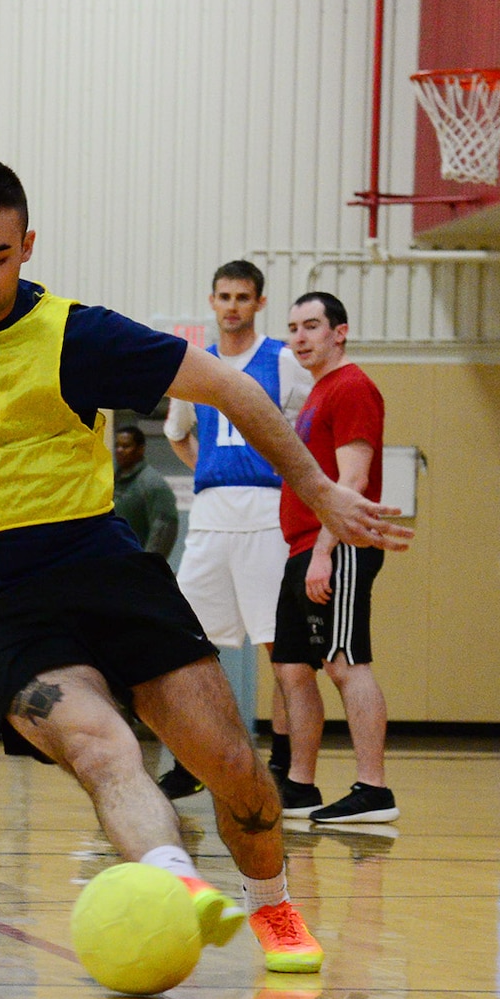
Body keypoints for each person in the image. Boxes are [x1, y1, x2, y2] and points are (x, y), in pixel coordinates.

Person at [0, 159, 408, 973]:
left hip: (101, 567)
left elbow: (229, 388)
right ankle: (175, 883)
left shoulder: (76, 334)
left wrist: (315, 487)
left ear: (27, 245)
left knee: (236, 770)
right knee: (104, 750)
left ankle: (273, 904)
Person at [157, 260, 314, 800]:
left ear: (259, 303)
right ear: (212, 300)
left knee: (279, 647)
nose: (232, 306)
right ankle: (190, 762)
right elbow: (178, 434)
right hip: (210, 516)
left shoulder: (284, 361)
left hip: (267, 514)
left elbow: (306, 431)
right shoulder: (194, 365)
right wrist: (209, 466)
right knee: (187, 644)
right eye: (224, 296)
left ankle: (285, 761)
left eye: (242, 297)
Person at [274, 293, 399, 825]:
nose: (300, 337)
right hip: (301, 548)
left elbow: (352, 480)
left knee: (345, 664)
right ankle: (300, 788)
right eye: (293, 328)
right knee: (291, 667)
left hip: (336, 547)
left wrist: (326, 551)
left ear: (339, 332)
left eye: (312, 327)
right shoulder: (317, 392)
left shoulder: (352, 387)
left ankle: (373, 790)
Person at [110, 424, 177, 559]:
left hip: (136, 566)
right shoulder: (109, 480)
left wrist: (148, 566)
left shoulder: (152, 483)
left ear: (140, 449)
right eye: (117, 446)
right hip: (110, 563)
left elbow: (163, 529)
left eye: (126, 446)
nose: (119, 450)